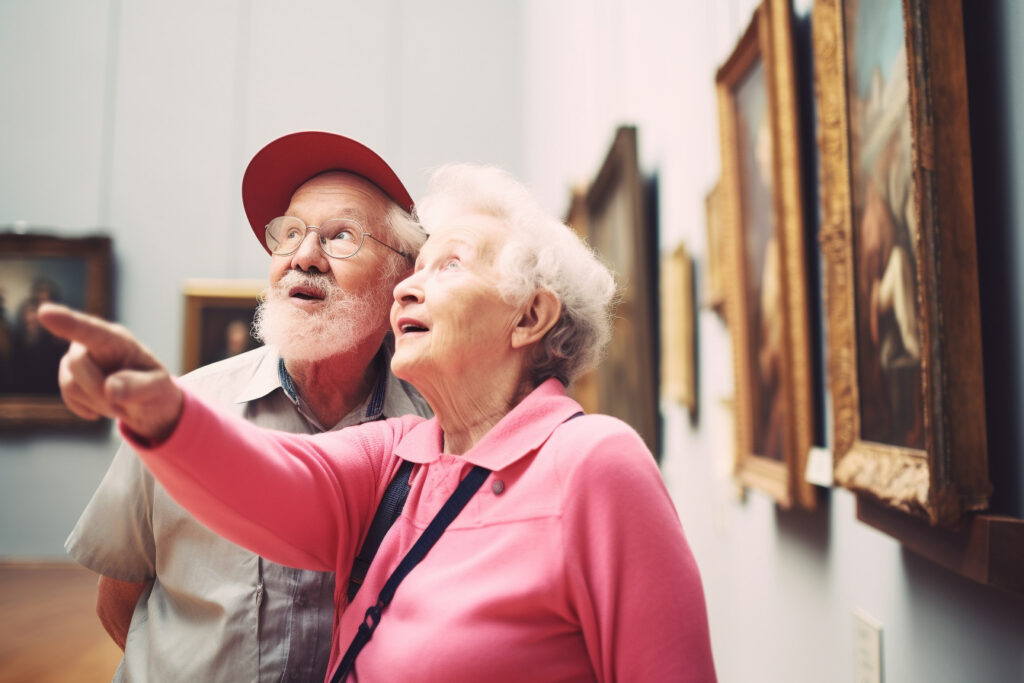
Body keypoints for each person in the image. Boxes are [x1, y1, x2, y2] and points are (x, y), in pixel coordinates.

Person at [42, 163, 717, 682]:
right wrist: (162, 406)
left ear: (529, 316)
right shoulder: (403, 451)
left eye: (447, 266)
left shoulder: (596, 462)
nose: (406, 288)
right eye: (415, 268)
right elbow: (269, 480)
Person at [63, 131, 431, 682]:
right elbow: (119, 601)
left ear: (400, 277)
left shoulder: (434, 434)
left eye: (341, 237)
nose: (303, 257)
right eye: (289, 235)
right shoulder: (178, 414)